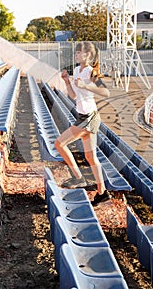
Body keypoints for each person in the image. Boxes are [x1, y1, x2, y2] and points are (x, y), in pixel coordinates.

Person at [54, 41, 111, 206]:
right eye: (76, 53)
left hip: (89, 117)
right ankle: (102, 192)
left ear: (87, 55)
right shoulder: (77, 70)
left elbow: (105, 92)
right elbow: (73, 96)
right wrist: (66, 81)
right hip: (83, 116)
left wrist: (86, 85)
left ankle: (78, 177)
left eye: (79, 53)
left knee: (59, 143)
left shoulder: (91, 72)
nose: (76, 55)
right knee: (90, 157)